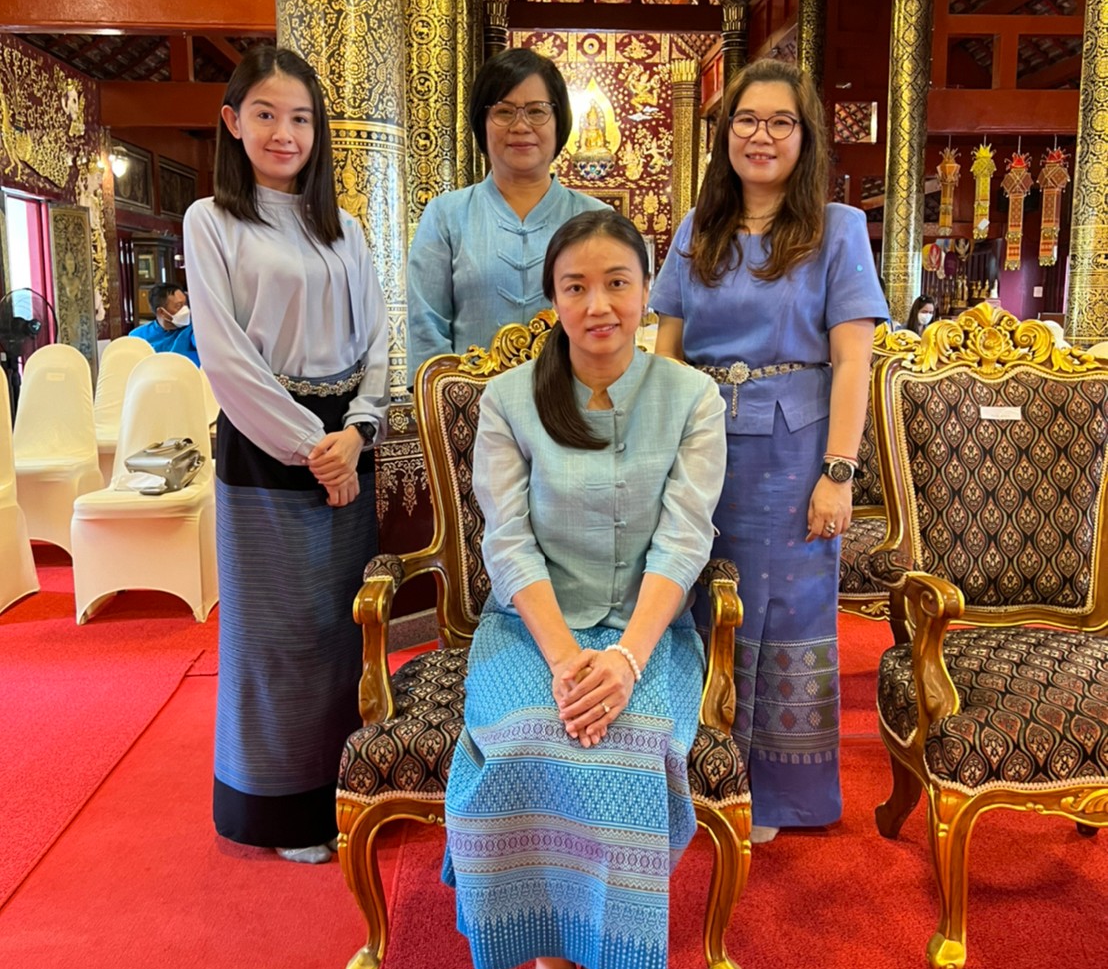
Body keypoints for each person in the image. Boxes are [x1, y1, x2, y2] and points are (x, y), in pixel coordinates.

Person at [444, 209, 725, 969]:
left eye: (617, 283)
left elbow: (684, 542)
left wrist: (628, 659)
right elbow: (508, 542)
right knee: (532, 734)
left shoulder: (692, 399)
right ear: (553, 300)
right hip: (531, 631)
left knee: (631, 742)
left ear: (646, 292)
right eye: (576, 287)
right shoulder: (510, 401)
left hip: (648, 631)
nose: (598, 304)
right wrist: (568, 661)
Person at [652, 58, 886, 844]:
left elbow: (853, 361)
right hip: (700, 442)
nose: (761, 135)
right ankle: (696, 773)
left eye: (780, 122)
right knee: (693, 599)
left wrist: (838, 473)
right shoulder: (698, 229)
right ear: (725, 134)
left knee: (781, 614)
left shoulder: (837, 230)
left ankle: (776, 794)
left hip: (794, 454)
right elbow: (667, 353)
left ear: (804, 136)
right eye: (746, 120)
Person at [183, 45, 389, 865]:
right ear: (233, 122)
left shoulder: (345, 228)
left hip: (348, 438)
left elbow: (378, 340)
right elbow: (225, 355)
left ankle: (347, 790)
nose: (284, 133)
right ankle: (280, 811)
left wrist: (359, 430)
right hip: (268, 440)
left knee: (343, 629)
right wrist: (310, 446)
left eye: (300, 118)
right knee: (277, 636)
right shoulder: (212, 221)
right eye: (266, 114)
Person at [406, 47, 606, 372]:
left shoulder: (597, 220)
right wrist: (447, 396)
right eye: (504, 111)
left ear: (560, 122)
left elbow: (610, 322)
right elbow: (426, 328)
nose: (521, 125)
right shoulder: (445, 216)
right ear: (482, 122)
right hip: (471, 401)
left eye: (537, 111)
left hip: (575, 399)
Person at [129, 282, 200, 365]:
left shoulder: (193, 329)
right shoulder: (137, 337)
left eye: (185, 304)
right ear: (161, 312)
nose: (186, 310)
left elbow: (204, 344)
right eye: (179, 306)